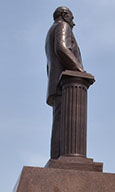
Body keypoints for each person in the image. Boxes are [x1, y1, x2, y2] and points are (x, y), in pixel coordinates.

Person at [45, 6, 85, 159]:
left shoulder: (51, 31)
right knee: (63, 124)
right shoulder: (63, 26)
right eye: (72, 18)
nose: (73, 23)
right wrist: (79, 69)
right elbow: (61, 48)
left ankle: (56, 157)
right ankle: (64, 158)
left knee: (59, 124)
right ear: (65, 15)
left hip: (57, 83)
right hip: (67, 85)